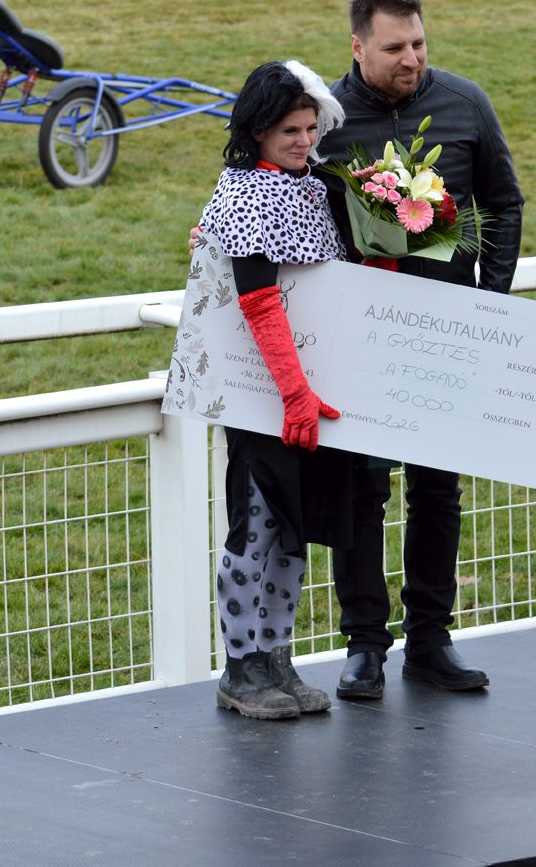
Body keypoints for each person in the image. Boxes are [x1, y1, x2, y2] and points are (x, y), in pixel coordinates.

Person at [316, 0, 525, 699]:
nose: (411, 59)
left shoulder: (465, 103)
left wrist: (489, 303)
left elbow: (503, 201)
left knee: (437, 490)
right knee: (361, 492)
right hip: (358, 335)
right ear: (357, 47)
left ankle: (431, 640)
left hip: (446, 331)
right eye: (394, 48)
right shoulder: (325, 119)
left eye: (419, 44)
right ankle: (364, 645)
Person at [198, 60, 356, 720]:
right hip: (264, 397)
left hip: (308, 395)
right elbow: (259, 301)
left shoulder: (312, 187)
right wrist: (293, 392)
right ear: (258, 130)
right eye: (290, 130)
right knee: (257, 525)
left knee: (292, 529)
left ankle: (277, 659)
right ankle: (241, 669)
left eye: (309, 128)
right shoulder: (243, 194)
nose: (303, 140)